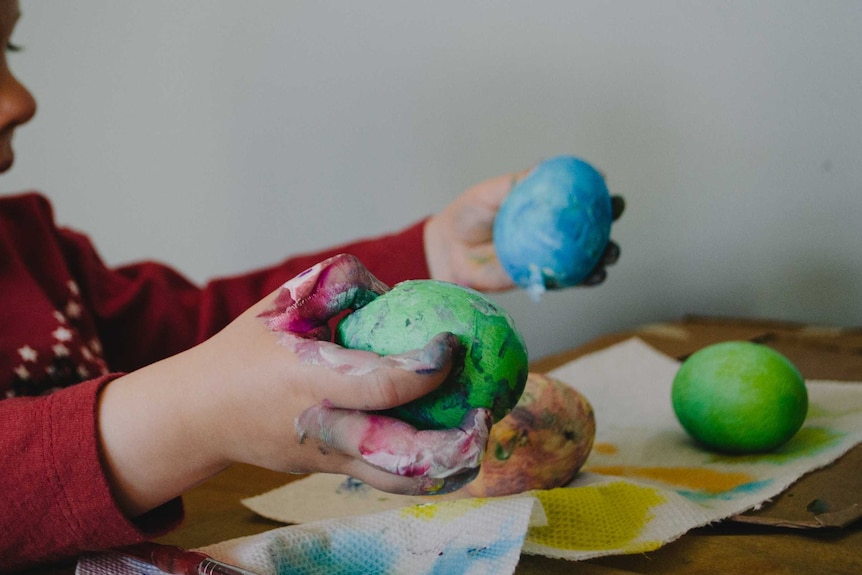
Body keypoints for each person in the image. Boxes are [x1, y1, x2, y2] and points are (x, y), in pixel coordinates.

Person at [0, 2, 623, 571]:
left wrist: (435, 255)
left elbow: (205, 335)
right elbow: (201, 384)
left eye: (10, 50)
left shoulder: (33, 251)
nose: (21, 100)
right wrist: (197, 415)